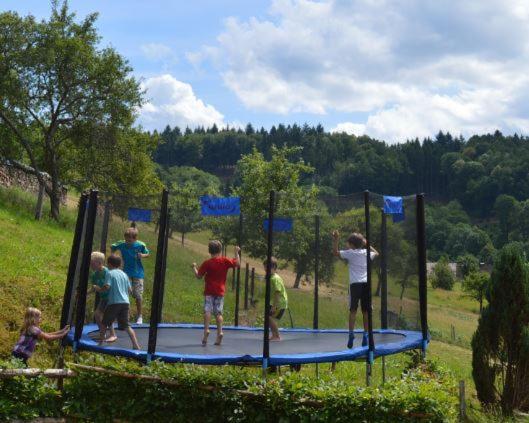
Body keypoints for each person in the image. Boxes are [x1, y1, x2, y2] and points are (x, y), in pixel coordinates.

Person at [332, 230, 378, 349]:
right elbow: (376, 253)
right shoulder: (366, 252)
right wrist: (367, 243)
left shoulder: (350, 253)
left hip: (355, 285)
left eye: (348, 242)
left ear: (352, 245)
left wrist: (336, 238)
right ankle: (366, 334)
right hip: (366, 285)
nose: (347, 244)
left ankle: (351, 334)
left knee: (353, 310)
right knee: (366, 311)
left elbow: (335, 252)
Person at [192, 241, 240, 346]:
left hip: (209, 291)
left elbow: (199, 276)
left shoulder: (207, 263)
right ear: (220, 250)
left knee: (207, 310)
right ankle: (220, 332)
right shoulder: (224, 260)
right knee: (218, 313)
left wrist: (194, 267)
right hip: (220, 291)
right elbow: (237, 263)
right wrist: (236, 252)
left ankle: (206, 330)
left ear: (209, 251)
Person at [93, 254, 141, 350]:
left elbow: (107, 286)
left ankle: (101, 343)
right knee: (127, 326)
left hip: (114, 302)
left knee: (104, 323)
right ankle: (136, 345)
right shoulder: (124, 274)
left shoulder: (109, 273)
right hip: (125, 302)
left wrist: (99, 289)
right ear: (119, 264)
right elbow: (130, 290)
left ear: (109, 264)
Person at [111, 227, 150, 324]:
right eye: (126, 239)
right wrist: (113, 258)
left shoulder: (140, 245)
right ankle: (125, 315)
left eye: (130, 240)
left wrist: (142, 255)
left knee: (137, 295)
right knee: (125, 294)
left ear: (135, 239)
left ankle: (140, 316)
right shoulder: (122, 244)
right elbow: (113, 247)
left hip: (138, 273)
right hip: (126, 273)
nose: (127, 242)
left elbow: (148, 254)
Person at [89, 251, 116, 342]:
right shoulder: (94, 275)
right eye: (90, 263)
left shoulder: (107, 272)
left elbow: (109, 286)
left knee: (107, 316)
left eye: (92, 263)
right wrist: (85, 293)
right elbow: (94, 288)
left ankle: (113, 334)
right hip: (104, 298)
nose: (91, 265)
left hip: (111, 297)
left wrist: (99, 289)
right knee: (97, 315)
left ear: (100, 263)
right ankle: (103, 333)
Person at [263, 257, 288, 341]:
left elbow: (277, 292)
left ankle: (277, 336)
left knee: (269, 317)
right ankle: (274, 335)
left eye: (268, 267)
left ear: (274, 268)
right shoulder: (272, 277)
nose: (266, 269)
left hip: (279, 303)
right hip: (276, 302)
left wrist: (274, 306)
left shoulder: (275, 279)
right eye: (265, 267)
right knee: (268, 317)